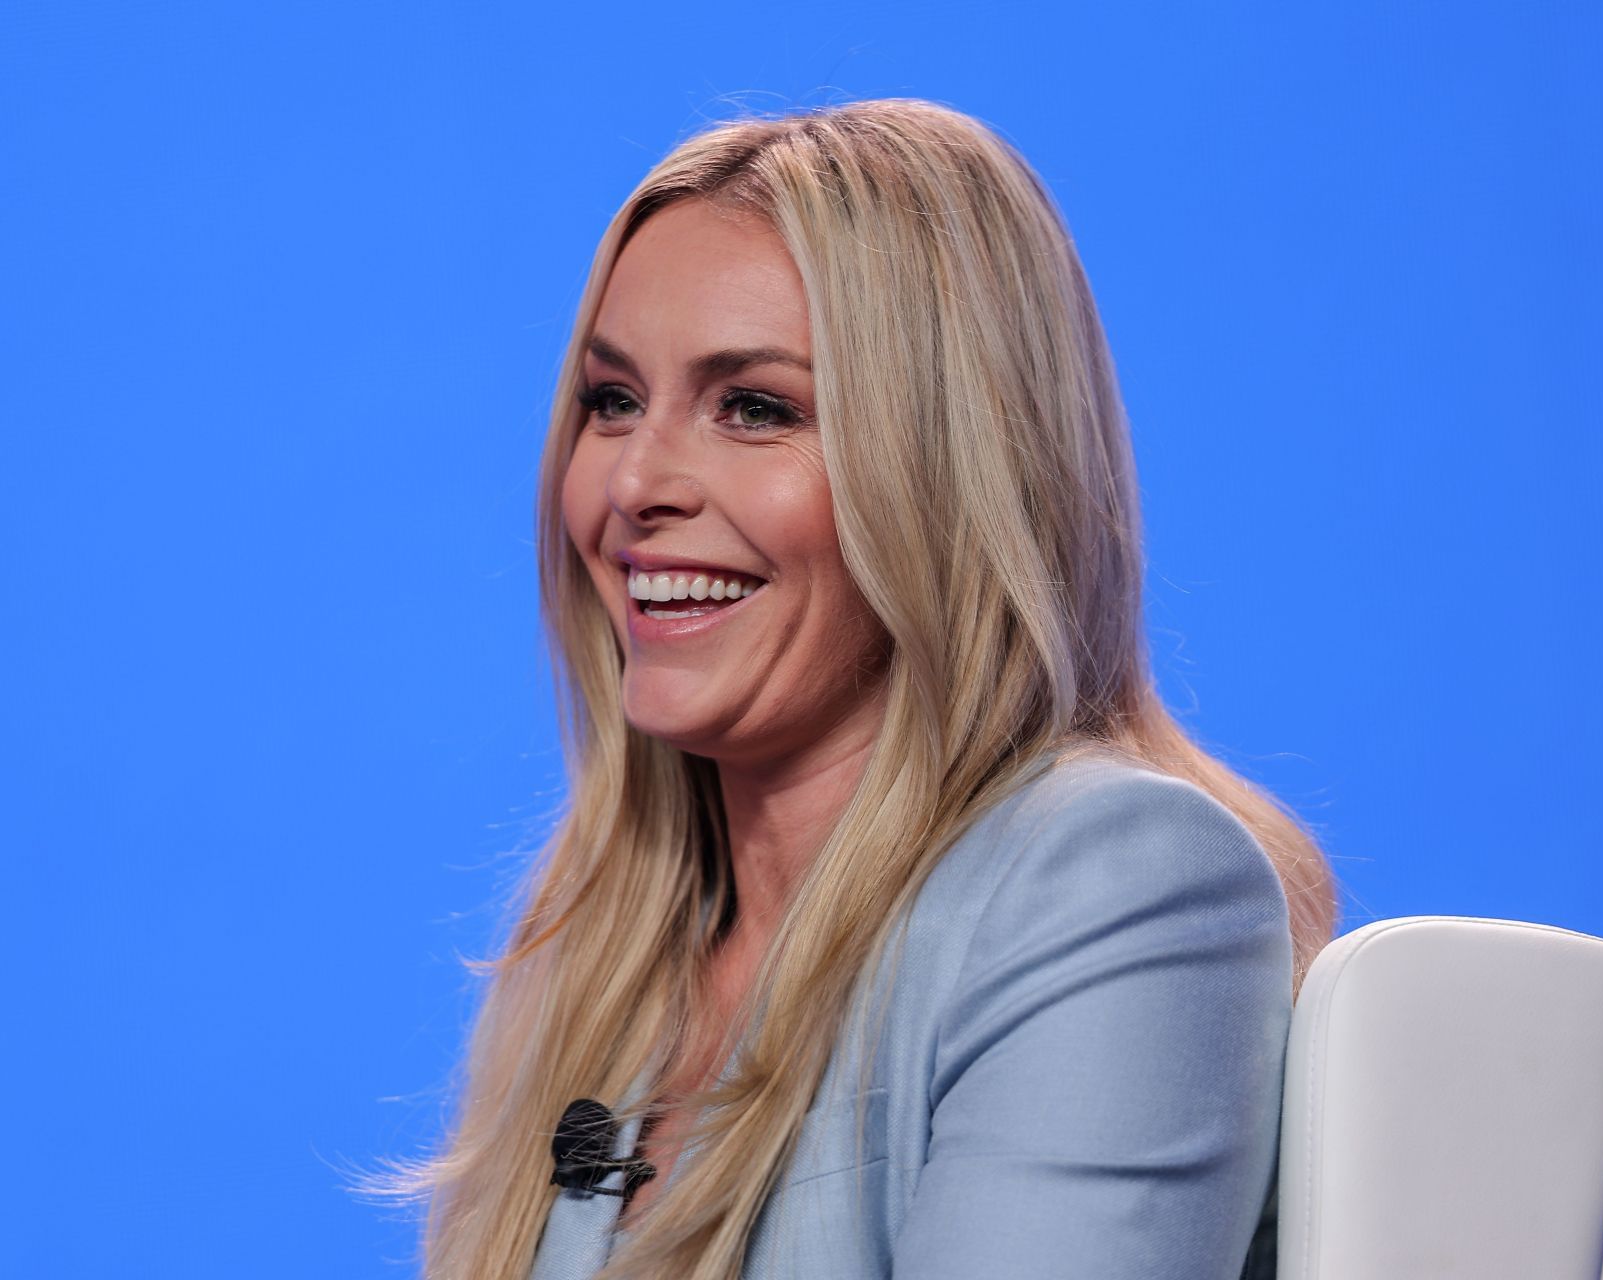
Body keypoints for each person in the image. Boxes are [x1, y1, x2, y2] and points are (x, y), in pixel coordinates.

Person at [397, 98, 1336, 1279]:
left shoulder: (1120, 885)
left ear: (949, 468)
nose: (635, 481)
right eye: (613, 399)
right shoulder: (597, 958)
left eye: (756, 407)